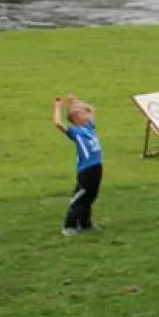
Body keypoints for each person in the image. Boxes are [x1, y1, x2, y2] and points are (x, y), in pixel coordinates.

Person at [52, 95, 105, 236]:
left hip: (97, 167)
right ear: (75, 118)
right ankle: (69, 226)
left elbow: (92, 109)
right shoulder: (75, 131)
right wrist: (57, 106)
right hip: (86, 169)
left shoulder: (89, 127)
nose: (87, 115)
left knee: (90, 197)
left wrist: (76, 102)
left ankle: (85, 224)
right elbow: (58, 123)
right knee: (80, 198)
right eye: (82, 113)